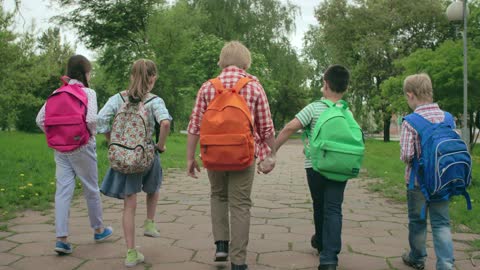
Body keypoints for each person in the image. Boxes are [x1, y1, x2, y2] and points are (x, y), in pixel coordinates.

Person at [186, 41, 275, 270]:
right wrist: (269, 154)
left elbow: (195, 125)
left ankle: (221, 246)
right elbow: (266, 128)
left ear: (221, 61)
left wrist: (190, 157)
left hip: (213, 154)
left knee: (218, 196)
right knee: (240, 204)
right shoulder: (254, 87)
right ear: (246, 63)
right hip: (243, 155)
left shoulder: (208, 87)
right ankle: (238, 261)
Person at [274, 65, 351, 270]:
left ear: (325, 84)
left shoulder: (314, 108)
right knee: (334, 208)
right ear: (344, 88)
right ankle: (330, 258)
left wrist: (271, 151)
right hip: (341, 166)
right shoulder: (346, 111)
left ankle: (321, 244)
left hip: (315, 167)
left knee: (320, 205)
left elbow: (290, 127)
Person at [35, 55, 113, 255]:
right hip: (82, 147)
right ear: (85, 73)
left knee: (62, 191)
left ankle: (61, 239)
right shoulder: (88, 92)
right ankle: (98, 230)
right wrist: (90, 136)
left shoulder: (57, 92)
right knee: (91, 188)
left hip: (60, 149)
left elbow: (40, 120)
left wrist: (57, 136)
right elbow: (92, 119)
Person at [97, 59, 171, 267]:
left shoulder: (118, 98)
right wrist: (161, 145)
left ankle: (131, 253)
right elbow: (165, 122)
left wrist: (113, 142)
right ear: (153, 78)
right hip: (146, 155)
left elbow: (100, 119)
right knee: (153, 187)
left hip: (125, 158)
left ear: (131, 76)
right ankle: (150, 222)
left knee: (129, 204)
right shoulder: (154, 101)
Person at [400, 73, 455, 270]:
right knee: (441, 223)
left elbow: (406, 155)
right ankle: (446, 264)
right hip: (443, 181)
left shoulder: (410, 121)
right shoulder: (448, 118)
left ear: (411, 95)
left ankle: (417, 258)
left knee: (418, 221)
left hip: (418, 183)